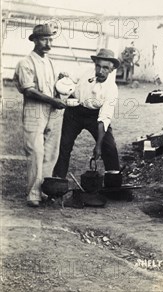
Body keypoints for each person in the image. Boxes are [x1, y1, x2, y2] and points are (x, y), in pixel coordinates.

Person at [14, 24, 67, 207]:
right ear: (35, 40)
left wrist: (62, 83)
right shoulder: (25, 63)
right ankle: (33, 194)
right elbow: (29, 91)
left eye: (51, 39)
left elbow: (54, 87)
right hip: (35, 110)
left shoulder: (51, 62)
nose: (48, 43)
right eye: (44, 39)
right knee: (36, 151)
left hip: (53, 111)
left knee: (51, 152)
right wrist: (53, 101)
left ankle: (45, 190)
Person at [52, 49, 121, 178]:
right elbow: (68, 79)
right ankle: (57, 182)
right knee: (63, 147)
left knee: (109, 148)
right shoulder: (84, 71)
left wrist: (98, 146)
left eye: (105, 68)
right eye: (98, 66)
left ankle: (113, 186)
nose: (100, 71)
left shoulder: (111, 89)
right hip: (74, 112)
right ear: (94, 64)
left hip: (95, 116)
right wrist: (64, 78)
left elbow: (103, 119)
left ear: (111, 70)